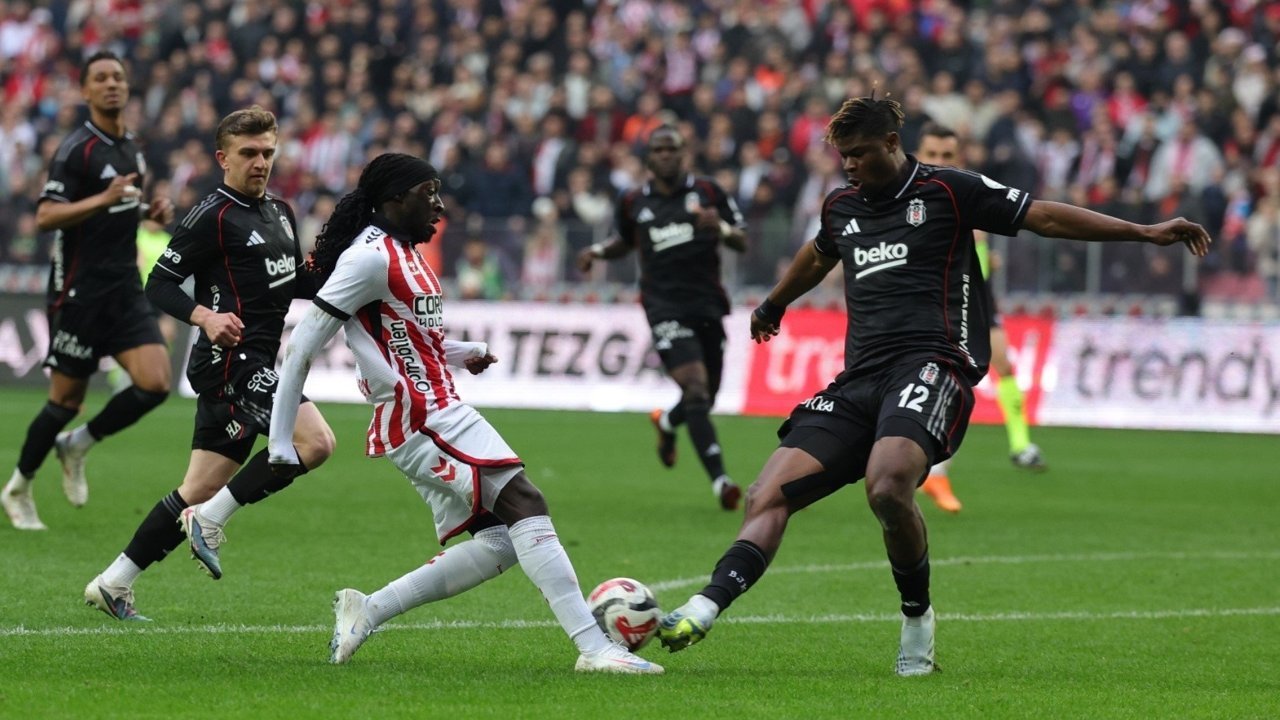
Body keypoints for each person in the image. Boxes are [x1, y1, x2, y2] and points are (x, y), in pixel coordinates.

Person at [656, 95, 1210, 676]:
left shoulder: (948, 190)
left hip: (933, 363)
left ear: (892, 143)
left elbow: (1044, 217)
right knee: (766, 494)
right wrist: (774, 303)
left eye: (859, 153)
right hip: (859, 378)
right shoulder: (841, 206)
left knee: (887, 484)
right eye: (843, 157)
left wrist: (1145, 232)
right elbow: (819, 256)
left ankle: (917, 619)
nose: (850, 165)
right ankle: (704, 607)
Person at [268, 152, 662, 674]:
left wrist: (463, 351)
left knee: (501, 540)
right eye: (428, 193)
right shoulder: (368, 257)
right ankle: (594, 647)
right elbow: (301, 346)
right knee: (526, 500)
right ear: (394, 199)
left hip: (435, 407)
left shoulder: (404, 252)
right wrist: (280, 440)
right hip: (422, 414)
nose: (439, 204)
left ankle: (370, 609)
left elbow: (405, 339)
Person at [83, 106, 335, 620]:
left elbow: (299, 284)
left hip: (255, 361)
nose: (260, 162)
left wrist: (348, 267)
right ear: (223, 158)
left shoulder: (281, 212)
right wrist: (204, 316)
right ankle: (211, 519)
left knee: (197, 487)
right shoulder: (212, 215)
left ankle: (112, 583)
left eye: (268, 152)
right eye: (249, 153)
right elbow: (159, 283)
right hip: (230, 363)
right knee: (316, 442)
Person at [2, 51, 175, 530]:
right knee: (65, 401)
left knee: (156, 383)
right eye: (100, 78)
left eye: (118, 76)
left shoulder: (132, 146)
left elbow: (119, 207)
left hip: (124, 287)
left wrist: (147, 213)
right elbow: (45, 215)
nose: (111, 84)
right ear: (85, 91)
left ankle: (78, 444)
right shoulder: (75, 149)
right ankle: (18, 487)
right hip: (79, 292)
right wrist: (103, 197)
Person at [575, 125, 747, 510]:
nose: (666, 155)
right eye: (658, 149)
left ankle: (667, 422)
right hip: (663, 306)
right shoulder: (633, 200)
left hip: (707, 303)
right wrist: (597, 252)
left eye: (672, 149)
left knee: (706, 396)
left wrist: (719, 227)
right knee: (696, 388)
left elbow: (742, 238)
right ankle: (721, 481)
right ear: (649, 157)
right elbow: (625, 241)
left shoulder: (709, 192)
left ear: (684, 153)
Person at [914, 123, 1046, 514]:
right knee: (946, 383)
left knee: (999, 366)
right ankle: (929, 468)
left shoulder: (967, 191)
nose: (939, 162)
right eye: (932, 155)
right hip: (936, 302)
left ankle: (1019, 445)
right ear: (918, 155)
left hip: (977, 297)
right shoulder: (910, 199)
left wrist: (983, 259)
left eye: (947, 156)